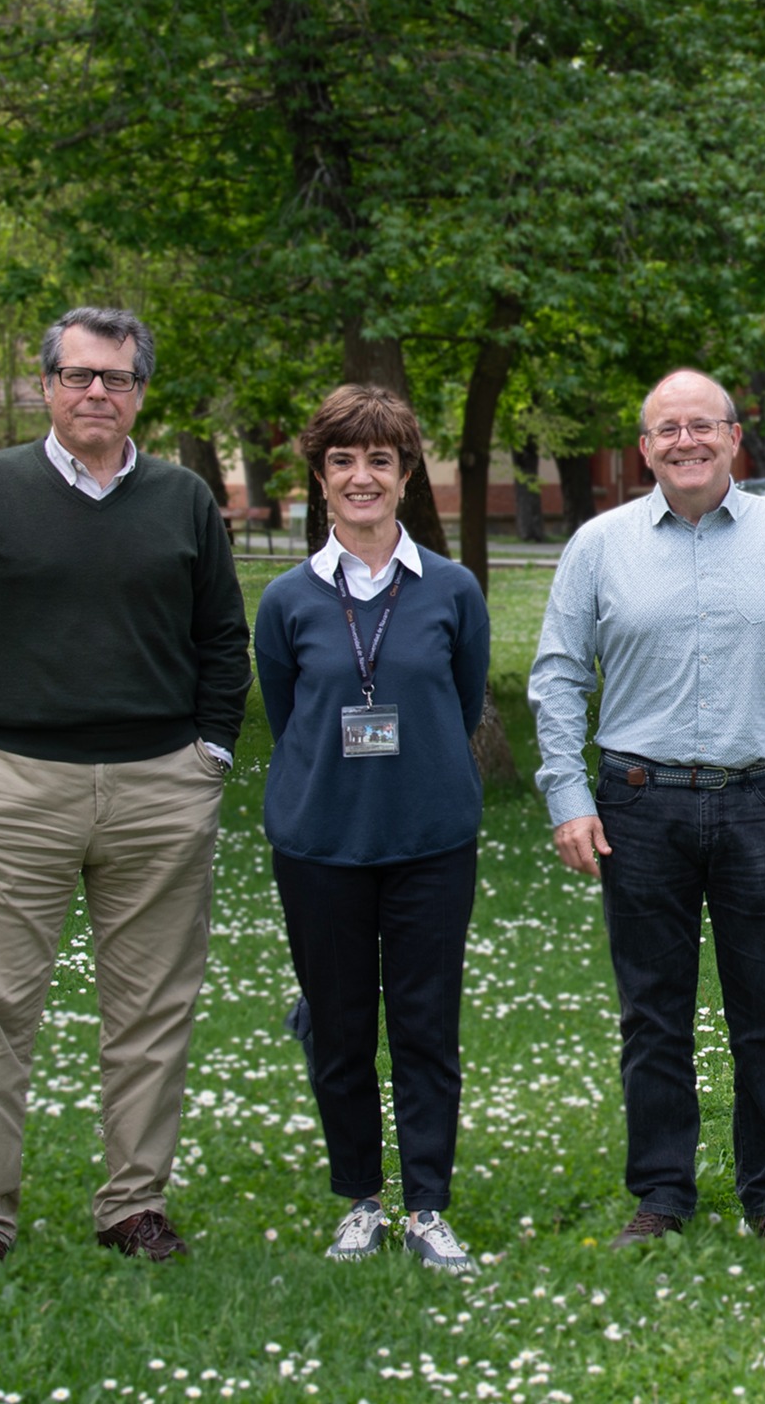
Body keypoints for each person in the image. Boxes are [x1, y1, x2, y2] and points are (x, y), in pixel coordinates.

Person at [0, 306, 251, 1279]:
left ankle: (133, 1205)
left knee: (152, 1010)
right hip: (15, 788)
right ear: (46, 383)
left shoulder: (182, 501)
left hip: (159, 789)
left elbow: (223, 639)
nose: (98, 393)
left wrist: (209, 755)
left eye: (118, 379)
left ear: (140, 394)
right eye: (79, 375)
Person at [529, 369, 765, 1258]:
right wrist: (567, 795)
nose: (685, 442)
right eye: (666, 430)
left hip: (763, 805)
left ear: (732, 438)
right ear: (644, 448)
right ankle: (662, 1193)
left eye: (702, 426)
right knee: (652, 1015)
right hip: (638, 807)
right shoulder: (599, 546)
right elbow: (559, 676)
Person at [252, 384, 491, 1272]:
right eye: (343, 461)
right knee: (342, 1029)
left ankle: (427, 1205)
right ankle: (360, 1197)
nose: (362, 477)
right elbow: (287, 715)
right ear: (320, 477)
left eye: (379, 461)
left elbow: (463, 703)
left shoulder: (453, 590)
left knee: (427, 1029)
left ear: (405, 474)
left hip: (431, 844)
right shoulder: (286, 600)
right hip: (320, 848)